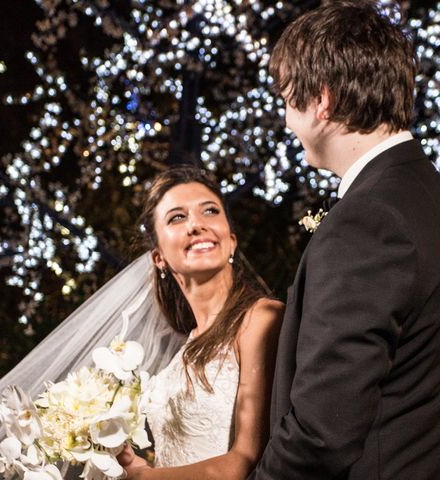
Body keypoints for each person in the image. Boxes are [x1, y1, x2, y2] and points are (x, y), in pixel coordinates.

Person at [247, 1, 440, 479]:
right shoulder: (424, 193)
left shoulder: (368, 222)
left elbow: (322, 432)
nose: (287, 120)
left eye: (287, 99)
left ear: (322, 102)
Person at [118, 166, 283, 479]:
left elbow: (248, 459)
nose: (197, 225)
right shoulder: (185, 349)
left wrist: (145, 478)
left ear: (231, 241)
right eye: (177, 217)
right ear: (158, 258)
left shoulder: (260, 319)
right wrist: (132, 463)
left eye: (210, 211)